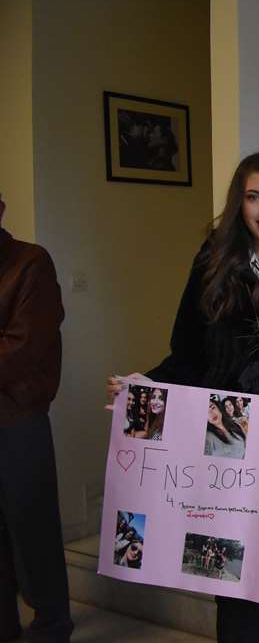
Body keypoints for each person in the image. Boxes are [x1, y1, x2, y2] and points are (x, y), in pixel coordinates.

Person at [105, 149, 259, 643]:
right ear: (239, 203)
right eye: (254, 197)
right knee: (230, 574)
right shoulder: (214, 258)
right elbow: (187, 353)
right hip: (225, 434)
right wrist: (148, 384)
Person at [0, 194, 74, 642]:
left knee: (32, 528)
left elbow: (22, 347)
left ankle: (52, 627)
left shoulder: (30, 263)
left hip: (18, 417)